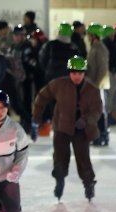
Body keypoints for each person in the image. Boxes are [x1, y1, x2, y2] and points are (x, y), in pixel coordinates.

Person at [33, 56, 103, 202]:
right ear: (69, 72)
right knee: (60, 158)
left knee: (83, 159)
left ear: (84, 73)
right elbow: (42, 96)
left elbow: (97, 110)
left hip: (81, 130)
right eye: (73, 73)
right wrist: (36, 117)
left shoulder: (92, 90)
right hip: (62, 128)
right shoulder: (59, 84)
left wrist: (86, 120)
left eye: (80, 73)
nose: (77, 76)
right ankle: (59, 181)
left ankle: (89, 184)